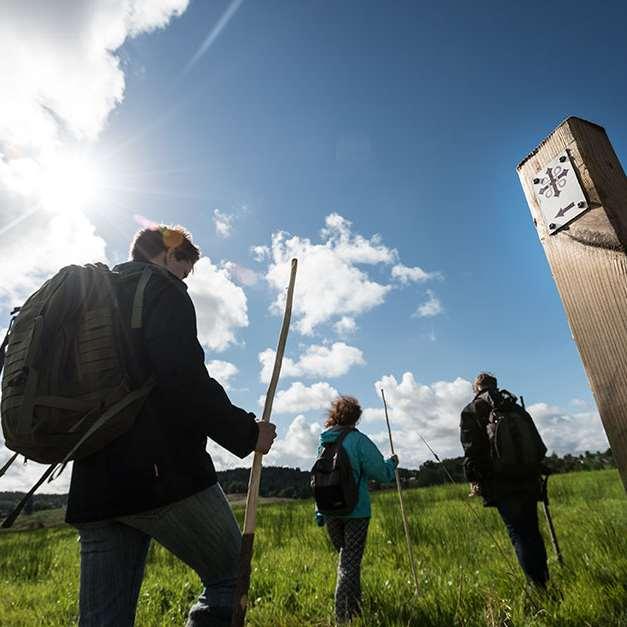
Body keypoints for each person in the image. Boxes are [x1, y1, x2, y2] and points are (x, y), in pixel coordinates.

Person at [65, 225, 277, 627]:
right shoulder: (162, 290)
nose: (184, 280)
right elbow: (184, 379)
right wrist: (249, 433)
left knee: (103, 620)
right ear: (167, 255)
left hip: (92, 484)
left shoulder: (92, 300)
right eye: (184, 270)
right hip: (159, 474)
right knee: (231, 578)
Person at [460, 372, 549, 588]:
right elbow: (539, 446)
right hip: (529, 479)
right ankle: (544, 580)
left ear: (476, 389)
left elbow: (472, 452)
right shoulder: (516, 408)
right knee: (532, 531)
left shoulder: (471, 410)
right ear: (496, 386)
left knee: (518, 533)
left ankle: (538, 588)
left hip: (500, 483)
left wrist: (475, 480)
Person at [315, 396, 398, 623]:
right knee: (349, 563)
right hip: (356, 511)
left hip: (330, 511)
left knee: (348, 560)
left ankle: (356, 608)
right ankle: (342, 616)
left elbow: (319, 477)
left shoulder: (324, 441)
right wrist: (392, 464)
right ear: (356, 417)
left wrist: (319, 511)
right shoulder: (358, 440)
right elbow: (380, 472)